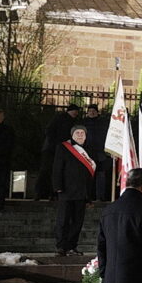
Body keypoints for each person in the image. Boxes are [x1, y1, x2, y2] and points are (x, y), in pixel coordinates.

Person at [53, 125, 95, 255]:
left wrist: (89, 196)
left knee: (77, 222)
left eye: (83, 132)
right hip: (66, 190)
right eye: (77, 132)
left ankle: (72, 246)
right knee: (63, 220)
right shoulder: (64, 147)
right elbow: (57, 167)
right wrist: (58, 186)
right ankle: (61, 246)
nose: (80, 135)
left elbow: (90, 174)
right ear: (72, 135)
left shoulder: (88, 150)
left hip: (82, 192)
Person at [38, 104, 80, 200]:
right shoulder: (63, 120)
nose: (76, 113)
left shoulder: (67, 120)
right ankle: (46, 192)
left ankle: (49, 193)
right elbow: (50, 131)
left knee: (52, 171)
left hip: (56, 149)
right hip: (53, 149)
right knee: (49, 171)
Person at [83, 104, 112, 201]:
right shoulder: (84, 123)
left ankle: (100, 196)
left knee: (101, 174)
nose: (91, 112)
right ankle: (88, 196)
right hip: (88, 152)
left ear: (97, 112)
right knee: (88, 174)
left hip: (100, 153)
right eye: (90, 111)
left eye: (93, 111)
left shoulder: (102, 122)